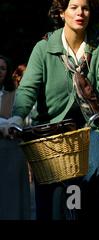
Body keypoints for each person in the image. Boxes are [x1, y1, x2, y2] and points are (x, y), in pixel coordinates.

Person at [2, 0, 99, 220]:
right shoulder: (44, 47)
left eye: (85, 8)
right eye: (74, 8)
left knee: (95, 171)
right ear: (61, 13)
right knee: (49, 192)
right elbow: (28, 89)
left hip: (93, 125)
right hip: (52, 128)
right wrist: (17, 116)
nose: (80, 13)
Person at [0, 55, 31, 219]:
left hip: (12, 150)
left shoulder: (15, 95)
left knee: (13, 198)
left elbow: (24, 120)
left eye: (3, 68)